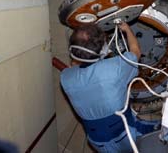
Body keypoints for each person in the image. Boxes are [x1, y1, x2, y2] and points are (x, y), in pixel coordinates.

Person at [60, 22, 141, 153]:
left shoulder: (65, 78)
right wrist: (127, 29)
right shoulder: (115, 68)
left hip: (97, 142)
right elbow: (135, 52)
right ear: (103, 49)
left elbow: (75, 67)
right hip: (125, 135)